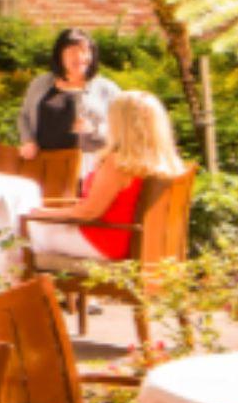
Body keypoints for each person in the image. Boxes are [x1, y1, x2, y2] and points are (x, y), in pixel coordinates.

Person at [22, 90, 185, 262]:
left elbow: (89, 212)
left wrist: (40, 213)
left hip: (104, 242)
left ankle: (11, 284)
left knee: (19, 230)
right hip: (135, 243)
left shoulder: (119, 163)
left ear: (121, 123)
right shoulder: (165, 163)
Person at [16, 29, 122, 177]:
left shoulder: (107, 89)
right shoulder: (40, 83)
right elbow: (24, 116)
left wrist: (94, 129)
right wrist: (28, 140)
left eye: (85, 51)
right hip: (42, 163)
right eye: (72, 51)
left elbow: (123, 129)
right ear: (60, 55)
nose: (80, 57)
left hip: (88, 168)